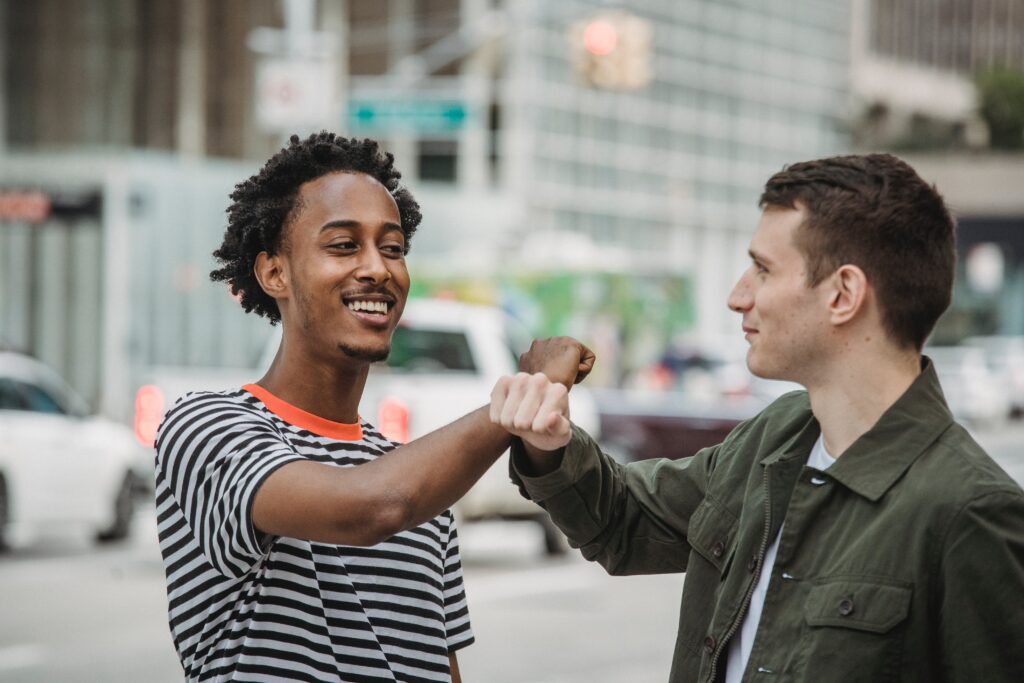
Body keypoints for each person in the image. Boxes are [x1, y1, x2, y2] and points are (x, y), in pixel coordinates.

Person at [491, 153, 1024, 682]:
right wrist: (548, 439)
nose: (737, 296)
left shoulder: (972, 513)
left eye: (763, 269)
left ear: (843, 294)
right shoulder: (775, 438)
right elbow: (623, 522)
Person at [154, 132, 589, 682]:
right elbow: (372, 508)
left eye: (393, 248)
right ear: (274, 273)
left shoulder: (422, 482)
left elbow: (439, 668)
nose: (378, 269)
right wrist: (519, 398)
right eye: (342, 246)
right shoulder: (207, 426)